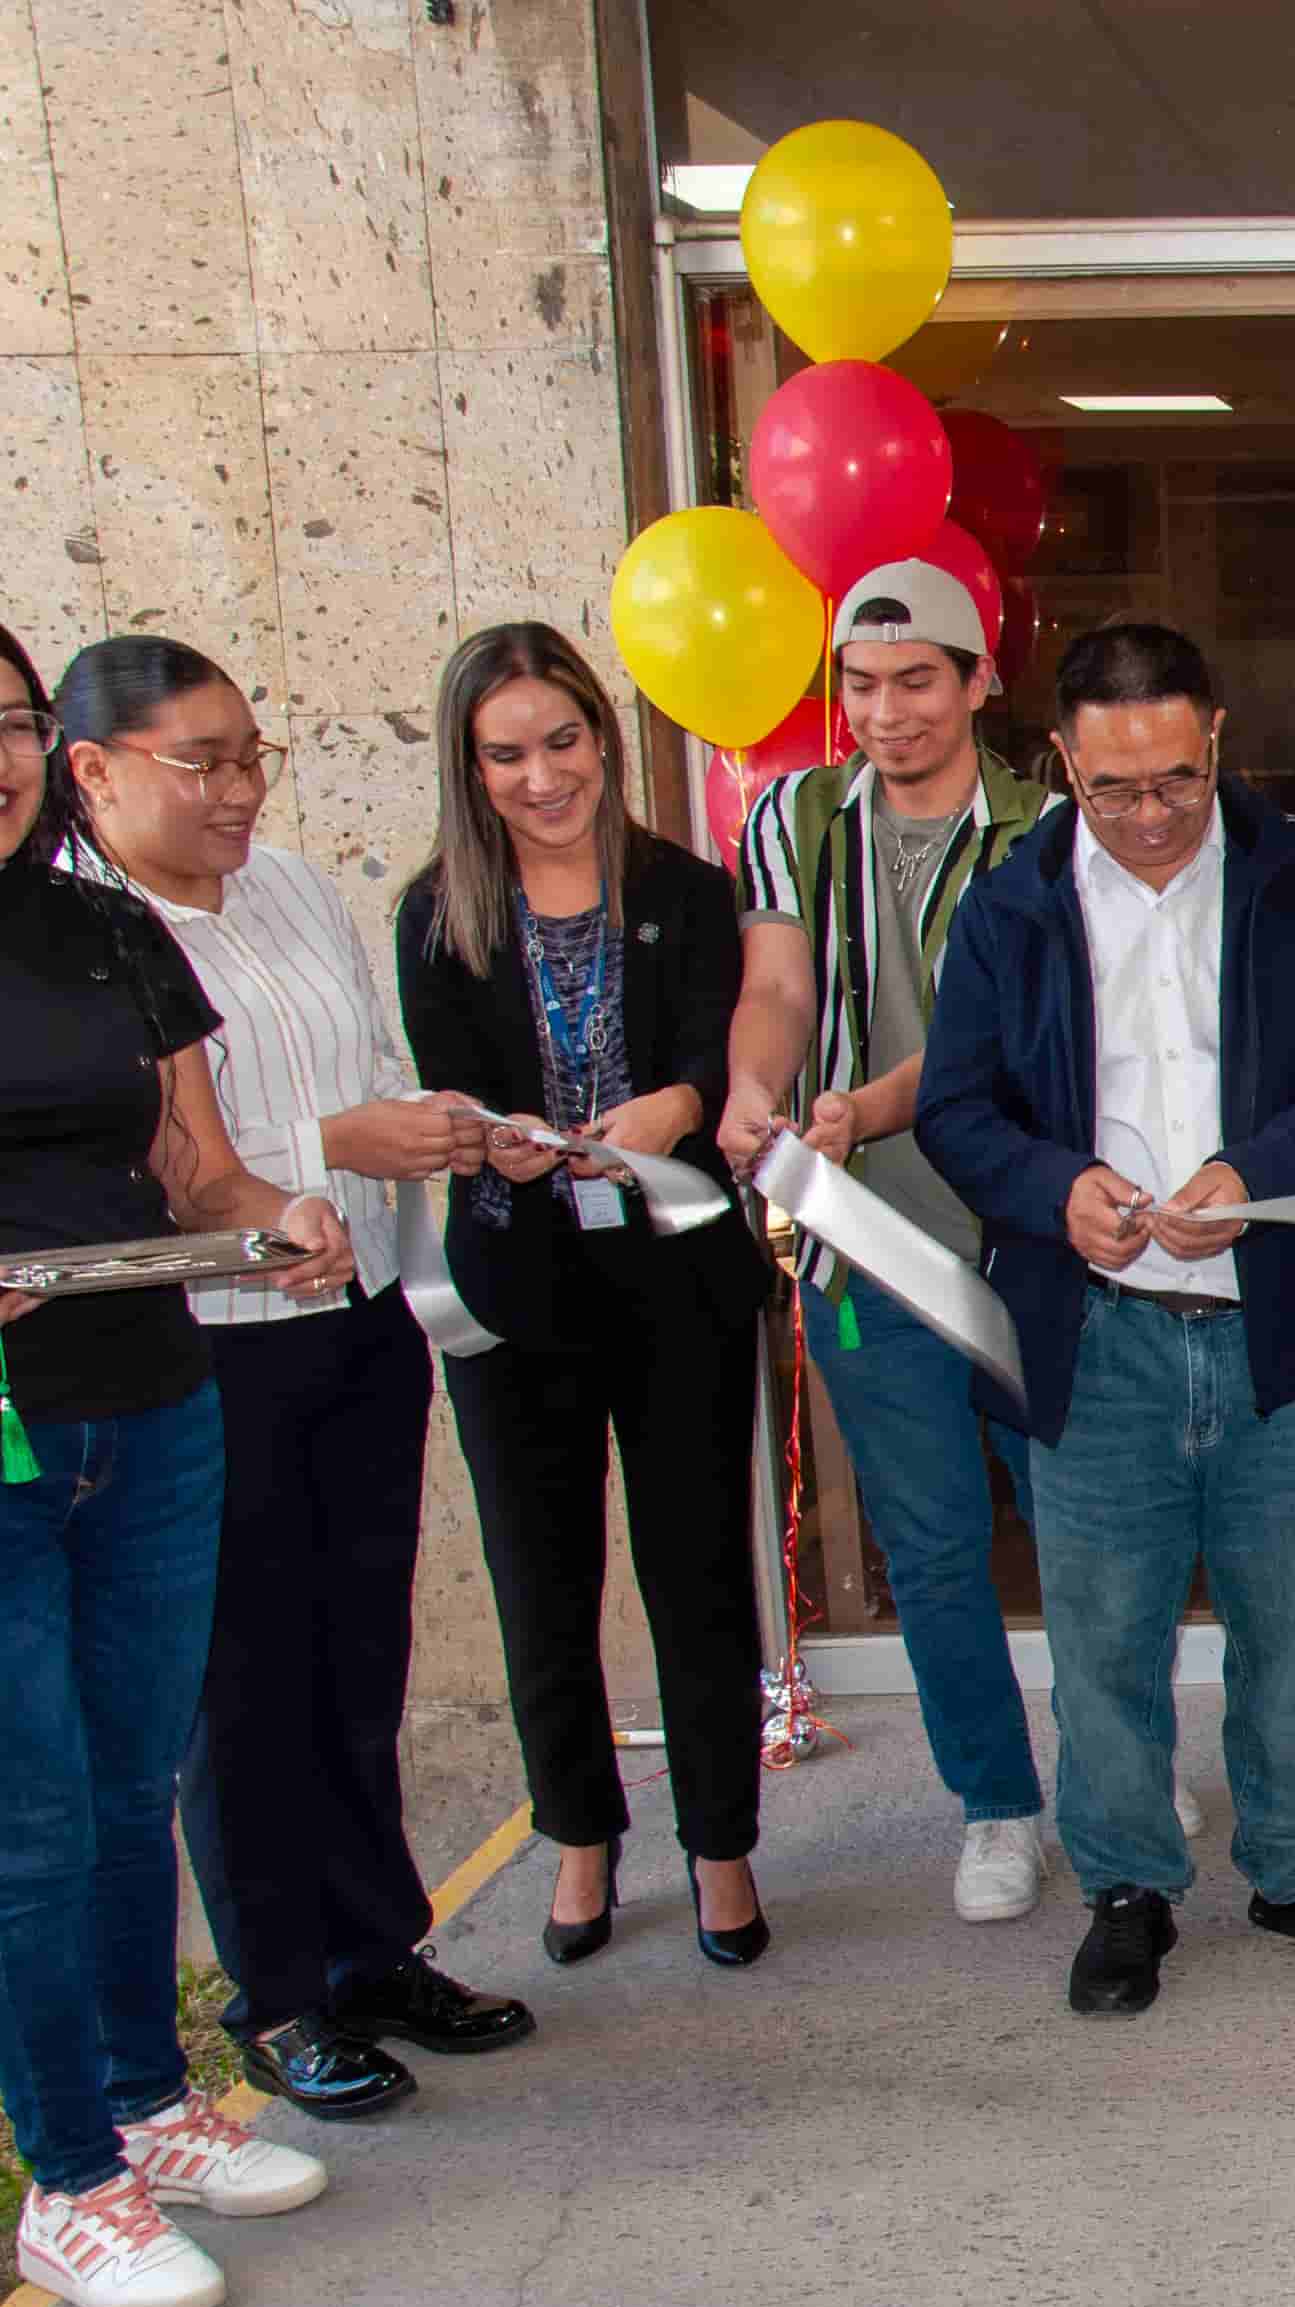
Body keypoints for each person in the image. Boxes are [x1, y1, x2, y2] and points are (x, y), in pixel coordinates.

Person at [56, 639, 530, 2125]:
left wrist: (451, 1124)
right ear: (95, 770)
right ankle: (278, 1992)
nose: (241, 790)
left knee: (354, 1661)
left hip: (362, 1315)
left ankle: (378, 1948)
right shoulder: (78, 935)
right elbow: (149, 1157)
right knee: (242, 1684)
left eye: (254, 753)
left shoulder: (292, 887)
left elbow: (374, 1063)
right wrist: (343, 1145)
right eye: (203, 764)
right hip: (210, 1341)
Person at [922, 623, 1295, 2017]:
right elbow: (956, 1108)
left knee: (1289, 1626)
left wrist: (1255, 1176)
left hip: (1274, 1321)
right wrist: (1055, 1187)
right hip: (1097, 1324)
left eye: (1175, 782)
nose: (1146, 815)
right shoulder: (1009, 910)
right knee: (1103, 1635)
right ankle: (1127, 1884)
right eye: (1113, 786)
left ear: (1218, 742)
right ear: (1063, 758)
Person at [3, 619, 357, 2307]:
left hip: (149, 1399)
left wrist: (278, 1221)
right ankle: (67, 2178)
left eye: (2, 720)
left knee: (134, 1779)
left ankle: (151, 2104)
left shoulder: (102, 933)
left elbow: (196, 1167)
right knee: (32, 1820)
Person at [398, 622, 779, 1972]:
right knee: (540, 1580)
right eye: (506, 753)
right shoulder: (436, 909)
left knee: (697, 1569)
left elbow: (702, 1055)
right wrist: (488, 1130)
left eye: (563, 740)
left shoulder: (683, 883)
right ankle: (578, 1834)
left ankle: (720, 1840)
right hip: (514, 1282)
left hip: (677, 1278)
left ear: (604, 738)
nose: (542, 775)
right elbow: (448, 1079)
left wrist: (673, 1104)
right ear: (470, 765)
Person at [722, 559, 1064, 1924]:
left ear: (979, 680)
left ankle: (1120, 1765)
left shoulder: (1050, 825)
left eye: (915, 680)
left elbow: (1003, 1034)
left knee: (1089, 1529)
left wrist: (866, 1103)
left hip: (1036, 1237)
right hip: (864, 1247)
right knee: (930, 1546)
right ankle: (997, 1804)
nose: (884, 710)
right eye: (857, 684)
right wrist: (758, 1085)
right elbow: (777, 980)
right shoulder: (792, 814)